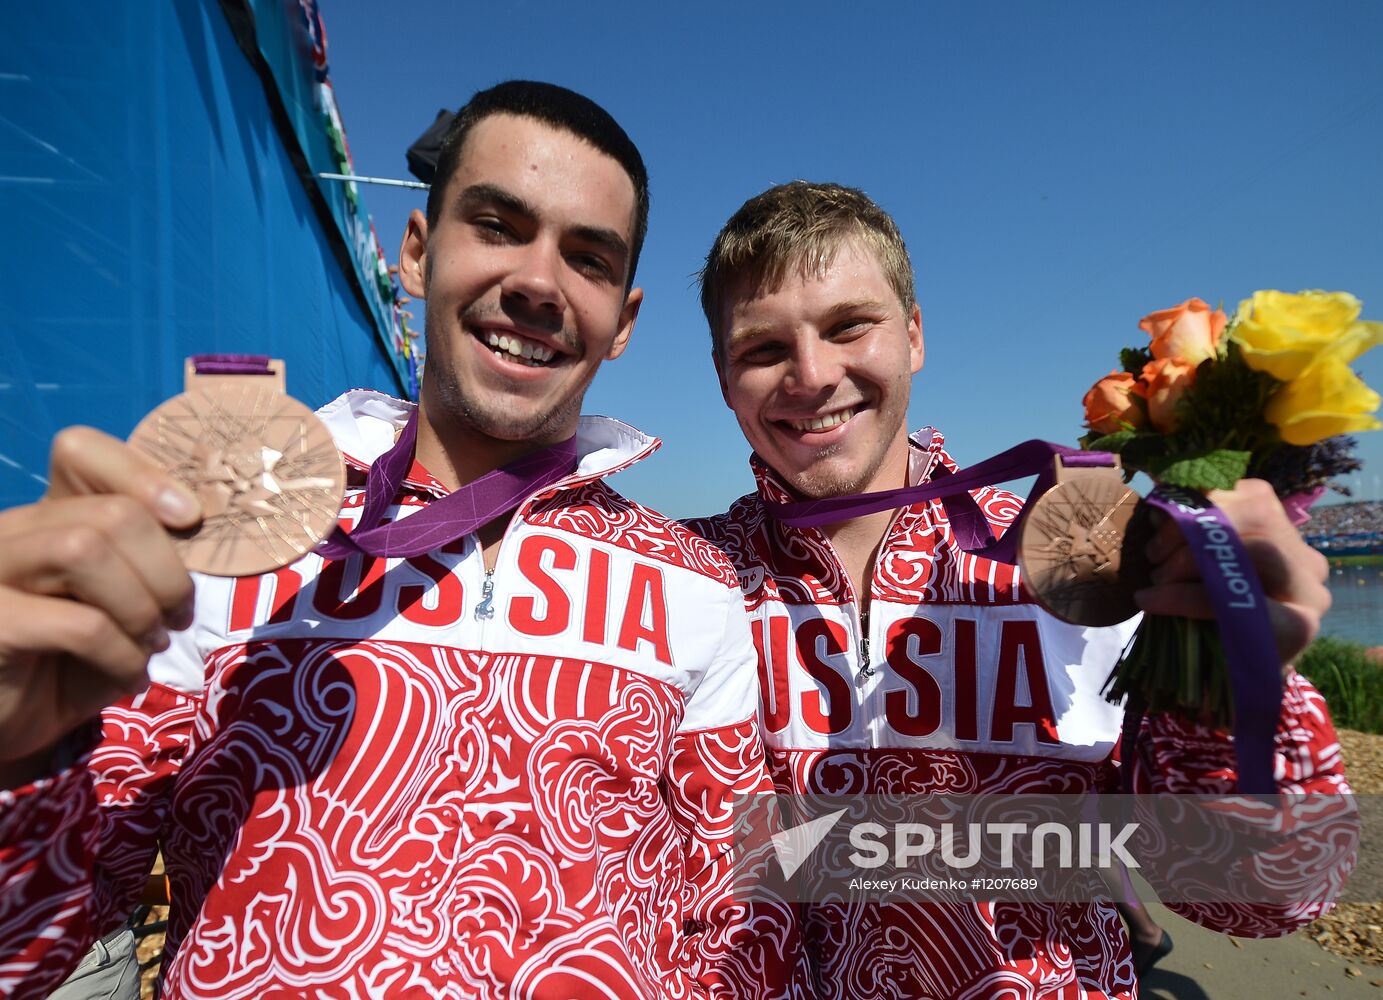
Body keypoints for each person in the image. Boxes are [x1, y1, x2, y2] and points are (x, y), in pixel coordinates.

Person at [0, 82, 793, 999]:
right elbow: (51, 931)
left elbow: (744, 906)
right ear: (417, 252)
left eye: (588, 258)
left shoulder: (691, 580)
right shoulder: (232, 530)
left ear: (624, 320)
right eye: (497, 225)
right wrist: (20, 761)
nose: (538, 282)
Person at [687, 180, 1351, 998]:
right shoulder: (686, 579)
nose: (812, 374)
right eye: (761, 349)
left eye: (849, 325)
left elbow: (1264, 895)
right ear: (723, 377)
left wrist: (1240, 682)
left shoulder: (1079, 545)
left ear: (915, 334)